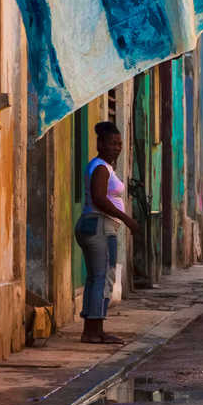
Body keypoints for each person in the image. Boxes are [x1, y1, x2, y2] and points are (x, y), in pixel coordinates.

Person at [75, 121, 136, 343]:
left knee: (95, 278)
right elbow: (100, 199)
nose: (117, 147)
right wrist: (126, 219)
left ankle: (92, 328)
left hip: (95, 225)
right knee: (103, 277)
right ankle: (94, 331)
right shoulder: (100, 167)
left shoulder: (102, 166)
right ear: (100, 144)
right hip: (99, 225)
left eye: (119, 143)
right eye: (112, 143)